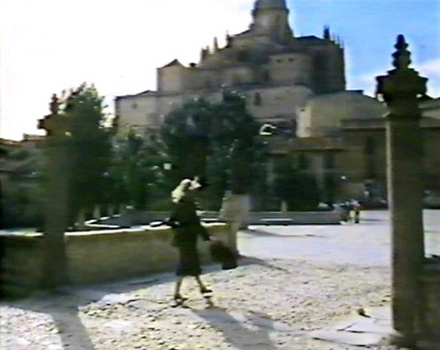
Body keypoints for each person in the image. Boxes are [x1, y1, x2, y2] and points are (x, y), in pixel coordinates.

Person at [167, 178, 212, 305]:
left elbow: (171, 220)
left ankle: (201, 287)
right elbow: (196, 224)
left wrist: (179, 228)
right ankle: (176, 293)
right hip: (188, 238)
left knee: (191, 263)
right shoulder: (189, 204)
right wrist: (206, 237)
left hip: (182, 238)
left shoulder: (179, 203)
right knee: (185, 264)